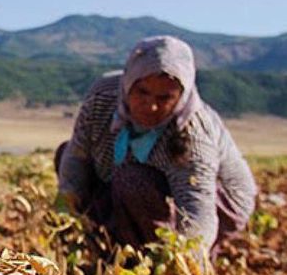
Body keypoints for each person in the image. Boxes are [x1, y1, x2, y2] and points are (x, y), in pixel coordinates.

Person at [56, 36, 256, 258]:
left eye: (165, 98)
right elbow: (77, 156)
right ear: (129, 82)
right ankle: (113, 245)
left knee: (132, 180)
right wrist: (66, 215)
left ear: (181, 96)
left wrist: (185, 262)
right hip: (137, 184)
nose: (150, 106)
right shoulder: (102, 97)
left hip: (218, 201)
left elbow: (197, 210)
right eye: (142, 92)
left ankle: (147, 258)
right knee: (66, 154)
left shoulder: (192, 135)